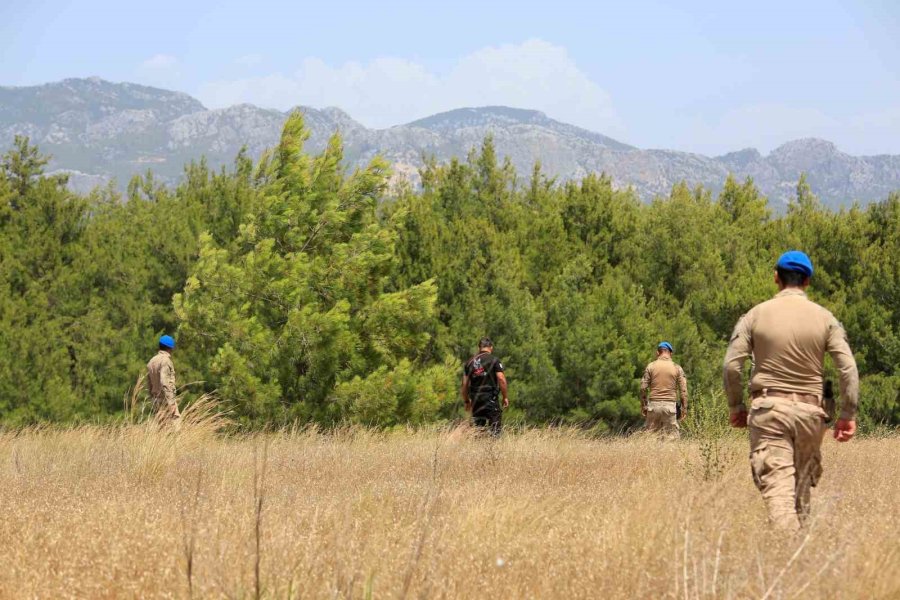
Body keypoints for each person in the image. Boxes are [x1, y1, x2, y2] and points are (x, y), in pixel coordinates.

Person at [723, 250, 859, 531]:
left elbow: (732, 365)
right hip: (812, 415)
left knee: (779, 495)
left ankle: (787, 554)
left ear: (776, 277)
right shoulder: (825, 318)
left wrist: (737, 407)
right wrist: (847, 413)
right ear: (807, 281)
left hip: (770, 411)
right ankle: (802, 562)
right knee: (800, 493)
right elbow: (847, 367)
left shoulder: (754, 316)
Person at [640, 341, 689, 438]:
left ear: (658, 353)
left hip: (653, 406)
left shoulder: (651, 366)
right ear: (671, 353)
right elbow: (683, 391)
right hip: (670, 407)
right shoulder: (677, 368)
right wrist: (684, 408)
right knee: (671, 440)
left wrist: (644, 406)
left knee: (650, 440)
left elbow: (643, 388)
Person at [461, 337, 508, 435]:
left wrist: (466, 401)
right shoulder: (494, 360)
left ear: (479, 348)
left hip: (475, 399)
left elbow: (464, 384)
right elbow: (501, 379)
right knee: (495, 429)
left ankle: (479, 448)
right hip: (490, 398)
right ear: (491, 347)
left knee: (478, 430)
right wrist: (505, 397)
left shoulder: (469, 362)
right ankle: (493, 448)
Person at [147, 334, 180, 426]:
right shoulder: (166, 361)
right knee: (176, 428)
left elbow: (149, 384)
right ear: (170, 348)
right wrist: (171, 403)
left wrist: (152, 399)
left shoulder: (151, 361)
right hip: (165, 400)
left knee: (162, 429)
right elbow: (164, 382)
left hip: (155, 400)